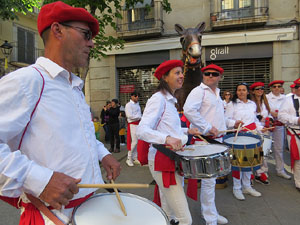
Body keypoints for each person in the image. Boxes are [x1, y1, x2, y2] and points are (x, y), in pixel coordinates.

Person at [0, 1, 121, 224]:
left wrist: (103, 154)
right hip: (52, 216)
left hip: (88, 208)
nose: (92, 43)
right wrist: (40, 180)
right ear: (57, 30)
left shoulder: (73, 87)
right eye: (86, 34)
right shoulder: (27, 82)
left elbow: (81, 136)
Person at [137, 60, 200, 225]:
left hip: (171, 158)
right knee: (185, 219)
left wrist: (187, 131)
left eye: (181, 72)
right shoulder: (158, 99)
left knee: (168, 211)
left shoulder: (170, 100)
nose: (181, 76)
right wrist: (166, 139)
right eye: (177, 73)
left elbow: (169, 130)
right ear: (165, 77)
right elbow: (142, 130)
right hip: (162, 161)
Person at [184, 64, 232, 225]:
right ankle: (210, 217)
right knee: (208, 181)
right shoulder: (199, 91)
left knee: (211, 180)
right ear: (203, 75)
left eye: (214, 74)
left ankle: (211, 212)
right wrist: (207, 127)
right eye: (207, 74)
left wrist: (232, 123)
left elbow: (219, 117)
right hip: (205, 140)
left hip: (216, 140)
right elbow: (189, 111)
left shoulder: (217, 93)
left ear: (219, 76)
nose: (210, 76)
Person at [225, 83, 263, 201]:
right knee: (238, 162)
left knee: (248, 162)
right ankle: (237, 188)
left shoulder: (252, 104)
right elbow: (225, 119)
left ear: (248, 92)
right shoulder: (232, 104)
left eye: (243, 90)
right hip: (237, 135)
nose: (241, 92)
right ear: (236, 92)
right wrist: (234, 123)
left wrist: (260, 127)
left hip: (251, 135)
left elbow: (255, 119)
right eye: (239, 90)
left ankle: (247, 186)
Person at [266, 80, 291, 179]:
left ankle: (280, 170)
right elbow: (264, 109)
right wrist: (271, 114)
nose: (277, 88)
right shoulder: (266, 97)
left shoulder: (285, 98)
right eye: (274, 86)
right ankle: (264, 170)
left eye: (279, 86)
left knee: (279, 148)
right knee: (266, 148)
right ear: (271, 88)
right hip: (269, 125)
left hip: (280, 125)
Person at [278, 78, 300, 191]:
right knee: (298, 159)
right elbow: (281, 116)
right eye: (297, 87)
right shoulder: (288, 100)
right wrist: (297, 120)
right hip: (295, 132)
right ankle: (298, 182)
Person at [250, 82, 272, 185]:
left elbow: (269, 114)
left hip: (266, 129)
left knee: (265, 152)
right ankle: (254, 172)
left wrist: (270, 120)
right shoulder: (251, 102)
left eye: (262, 88)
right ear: (253, 91)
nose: (260, 90)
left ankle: (262, 172)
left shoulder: (265, 101)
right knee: (255, 153)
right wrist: (262, 120)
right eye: (257, 89)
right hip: (256, 129)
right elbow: (252, 117)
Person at [125, 91, 142, 166]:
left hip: (138, 124)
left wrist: (139, 117)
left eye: (138, 95)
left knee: (137, 142)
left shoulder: (137, 105)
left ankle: (135, 157)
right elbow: (129, 116)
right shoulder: (128, 105)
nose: (137, 97)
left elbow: (139, 114)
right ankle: (129, 158)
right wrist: (139, 117)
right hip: (132, 124)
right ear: (132, 96)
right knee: (134, 142)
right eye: (135, 96)